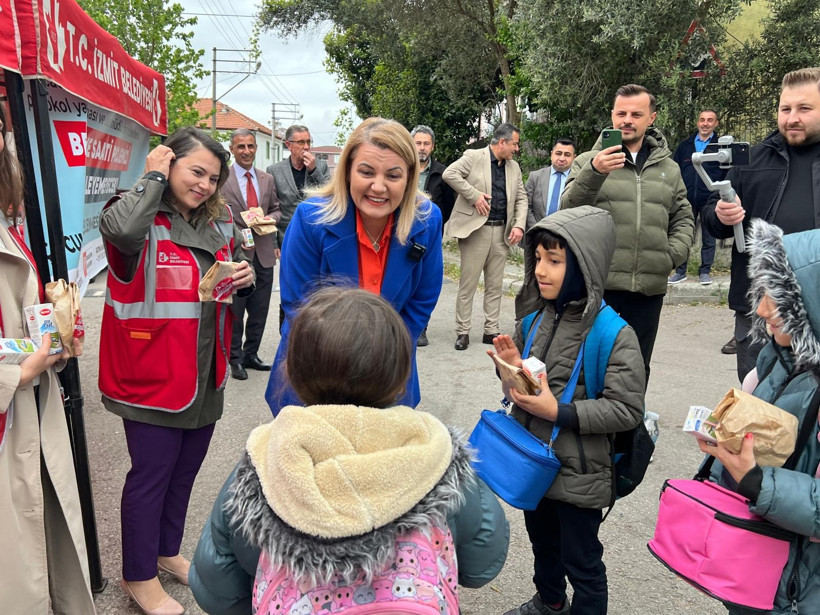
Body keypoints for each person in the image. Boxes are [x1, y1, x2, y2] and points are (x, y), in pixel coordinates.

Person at [189, 287, 510, 614]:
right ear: (401, 379)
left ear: (293, 374)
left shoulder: (266, 460)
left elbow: (215, 583)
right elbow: (483, 560)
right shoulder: (437, 454)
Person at [98, 127, 255, 615]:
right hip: (150, 376)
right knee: (151, 478)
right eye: (195, 171)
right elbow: (122, 236)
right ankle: (138, 576)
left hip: (205, 373)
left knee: (182, 475)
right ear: (168, 164)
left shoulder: (217, 223)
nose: (206, 184)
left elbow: (218, 290)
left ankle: (165, 552)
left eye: (214, 176)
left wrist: (242, 280)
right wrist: (151, 178)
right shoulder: (135, 214)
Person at [493, 206, 645, 615]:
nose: (541, 269)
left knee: (582, 561)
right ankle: (550, 602)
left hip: (580, 474)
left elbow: (626, 409)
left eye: (554, 261)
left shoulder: (614, 334)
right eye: (538, 258)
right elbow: (526, 392)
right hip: (533, 465)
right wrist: (510, 373)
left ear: (583, 265)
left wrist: (558, 411)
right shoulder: (533, 320)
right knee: (542, 545)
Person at [264, 117, 443, 416]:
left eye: (393, 175)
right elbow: (299, 306)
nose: (379, 186)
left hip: (390, 370)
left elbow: (423, 298)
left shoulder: (427, 219)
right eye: (366, 172)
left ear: (410, 178)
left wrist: (386, 360)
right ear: (347, 171)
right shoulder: (311, 219)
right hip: (317, 370)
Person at [0, 103, 96, 613]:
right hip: (12, 411)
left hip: (29, 409)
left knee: (40, 550)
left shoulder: (6, 223)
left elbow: (17, 323)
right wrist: (18, 371)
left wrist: (53, 340)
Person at [697, 219, 820, 614]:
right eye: (764, 291)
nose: (764, 308)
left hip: (802, 584)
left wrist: (756, 481)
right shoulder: (776, 358)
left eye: (781, 298)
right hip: (758, 558)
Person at [561, 84, 694, 384]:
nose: (627, 120)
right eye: (621, 113)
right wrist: (594, 172)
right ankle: (591, 430)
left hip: (648, 290)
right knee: (589, 367)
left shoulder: (669, 169)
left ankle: (631, 430)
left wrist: (670, 256)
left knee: (637, 369)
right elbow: (566, 210)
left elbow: (683, 216)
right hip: (598, 286)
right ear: (612, 116)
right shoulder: (587, 161)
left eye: (636, 114)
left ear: (651, 118)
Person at [703, 67, 820, 383]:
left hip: (817, 308)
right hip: (759, 310)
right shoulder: (754, 159)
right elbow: (712, 216)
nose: (791, 118)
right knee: (759, 405)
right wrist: (720, 215)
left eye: (804, 108)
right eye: (785, 109)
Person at [444, 122, 528, 351]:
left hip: (502, 231)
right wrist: (474, 196)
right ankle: (463, 331)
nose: (516, 149)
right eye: (515, 144)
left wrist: (519, 226)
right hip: (475, 231)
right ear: (502, 142)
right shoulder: (474, 156)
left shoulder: (514, 168)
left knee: (495, 285)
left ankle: (490, 330)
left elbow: (521, 198)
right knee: (468, 284)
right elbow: (449, 174)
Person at [222, 129, 281, 380]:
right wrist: (237, 228)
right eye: (241, 147)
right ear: (232, 149)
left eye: (251, 146)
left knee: (259, 309)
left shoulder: (266, 179)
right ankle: (234, 359)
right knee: (236, 309)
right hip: (237, 253)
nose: (246, 151)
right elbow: (216, 213)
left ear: (256, 148)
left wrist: (268, 219)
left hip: (264, 253)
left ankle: (251, 354)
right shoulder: (222, 179)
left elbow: (277, 210)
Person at [266, 125, 330, 329]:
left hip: (317, 235)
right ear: (289, 145)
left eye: (308, 142)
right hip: (286, 236)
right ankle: (286, 328)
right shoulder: (274, 171)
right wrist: (273, 241)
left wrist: (313, 170)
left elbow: (331, 195)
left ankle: (313, 329)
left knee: (316, 284)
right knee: (290, 284)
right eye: (301, 142)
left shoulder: (320, 167)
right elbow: (272, 207)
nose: (306, 147)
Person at [411, 124, 455, 347]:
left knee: (425, 280)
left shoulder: (442, 174)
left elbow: (448, 205)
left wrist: (436, 225)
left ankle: (421, 327)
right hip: (402, 232)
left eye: (426, 143)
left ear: (432, 147)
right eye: (418, 143)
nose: (421, 147)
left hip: (430, 235)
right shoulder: (401, 167)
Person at [670, 109, 725, 286]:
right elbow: (675, 170)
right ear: (697, 122)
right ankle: (680, 271)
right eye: (702, 120)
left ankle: (705, 272)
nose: (705, 123)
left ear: (716, 123)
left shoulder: (721, 146)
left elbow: (727, 172)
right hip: (687, 198)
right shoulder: (685, 145)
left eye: (710, 120)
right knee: (684, 235)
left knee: (709, 236)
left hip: (711, 198)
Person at [524, 138, 577, 273]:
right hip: (536, 238)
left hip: (566, 240)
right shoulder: (535, 177)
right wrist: (537, 230)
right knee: (532, 281)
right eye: (558, 153)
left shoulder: (578, 180)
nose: (562, 158)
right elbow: (526, 206)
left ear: (574, 158)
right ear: (551, 154)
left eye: (567, 154)